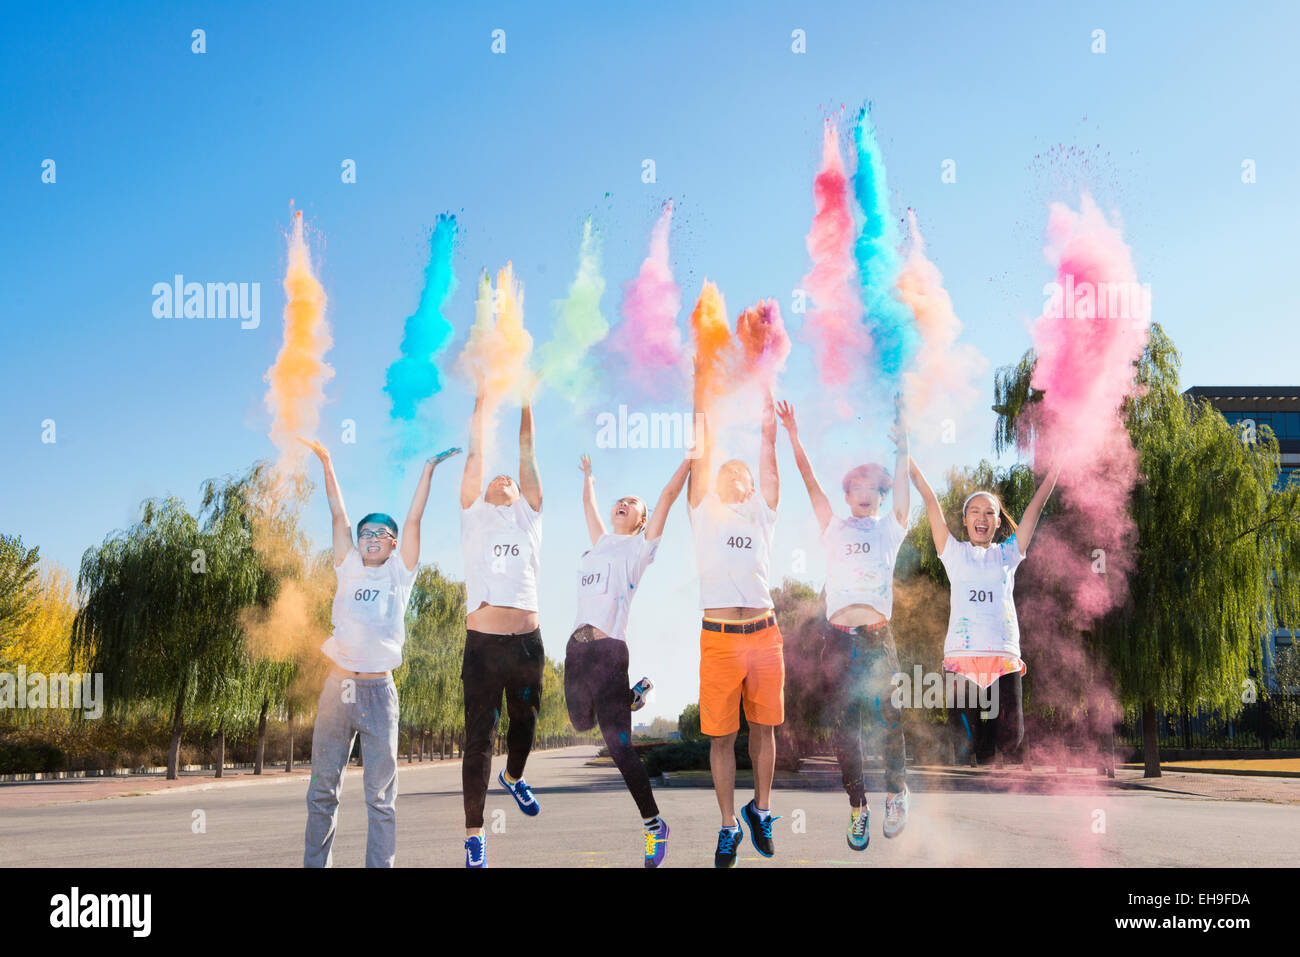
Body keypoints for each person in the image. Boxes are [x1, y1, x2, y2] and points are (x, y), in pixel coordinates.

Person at [300, 437, 461, 867]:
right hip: (337, 689)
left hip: (379, 694)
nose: (371, 537)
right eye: (365, 533)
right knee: (322, 790)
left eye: (381, 534)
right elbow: (337, 512)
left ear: (393, 545)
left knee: (381, 796)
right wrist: (327, 460)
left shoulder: (400, 573)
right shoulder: (348, 565)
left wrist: (427, 470)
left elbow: (414, 519)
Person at [776, 397, 911, 850]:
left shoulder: (890, 530)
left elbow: (904, 487)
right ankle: (858, 808)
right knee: (845, 730)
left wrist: (903, 448)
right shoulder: (833, 528)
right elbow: (809, 480)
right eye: (859, 485)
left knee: (889, 719)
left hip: (877, 639)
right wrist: (793, 436)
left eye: (875, 487)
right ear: (848, 492)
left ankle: (895, 794)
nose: (867, 491)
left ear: (880, 495)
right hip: (837, 641)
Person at [566, 454, 691, 868]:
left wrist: (689, 461)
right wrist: (589, 478)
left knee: (620, 748)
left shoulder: (640, 548)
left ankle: (654, 826)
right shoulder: (601, 542)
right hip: (576, 649)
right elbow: (588, 507)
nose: (623, 503)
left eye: (632, 502)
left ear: (641, 520)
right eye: (619, 500)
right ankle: (629, 698)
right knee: (580, 722)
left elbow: (668, 497)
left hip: (607, 650)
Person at [688, 370, 783, 868]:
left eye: (739, 473)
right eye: (724, 473)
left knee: (764, 729)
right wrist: (701, 388)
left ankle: (760, 811)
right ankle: (728, 826)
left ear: (751, 485)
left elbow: (768, 453)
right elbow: (700, 452)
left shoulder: (762, 512)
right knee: (721, 737)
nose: (732, 477)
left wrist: (766, 407)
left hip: (764, 634)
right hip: (719, 637)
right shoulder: (703, 511)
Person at [908, 456, 1060, 766]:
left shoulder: (1008, 553)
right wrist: (906, 457)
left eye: (989, 512)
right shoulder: (953, 553)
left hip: (1003, 659)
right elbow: (929, 497)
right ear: (964, 520)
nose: (982, 517)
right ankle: (980, 742)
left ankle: (993, 740)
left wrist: (1054, 469)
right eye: (974, 512)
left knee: (1010, 740)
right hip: (962, 661)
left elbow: (1036, 507)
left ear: (998, 521)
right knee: (968, 746)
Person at [459, 388, 544, 868]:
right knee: (478, 741)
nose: (502, 478)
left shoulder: (529, 517)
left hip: (528, 646)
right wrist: (482, 404)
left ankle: (515, 777)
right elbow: (475, 454)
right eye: (495, 479)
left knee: (525, 726)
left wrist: (526, 399)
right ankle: (475, 836)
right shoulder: (474, 516)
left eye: (509, 479)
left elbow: (527, 449)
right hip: (484, 646)